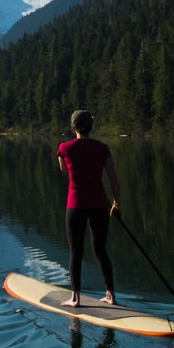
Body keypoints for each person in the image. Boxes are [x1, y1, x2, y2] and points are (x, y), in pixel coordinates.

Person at [56, 109, 121, 308]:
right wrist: (117, 204)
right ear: (91, 126)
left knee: (76, 251)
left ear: (72, 127)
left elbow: (63, 168)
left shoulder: (64, 148)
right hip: (100, 205)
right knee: (100, 250)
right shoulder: (102, 148)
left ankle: (75, 298)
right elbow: (113, 178)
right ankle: (110, 295)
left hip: (75, 205)